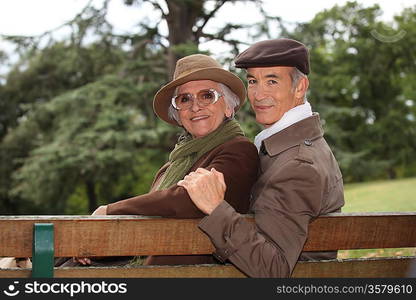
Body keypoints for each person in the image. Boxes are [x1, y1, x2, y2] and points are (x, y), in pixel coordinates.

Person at [57, 54, 259, 267]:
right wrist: (96, 248)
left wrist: (109, 211)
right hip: (150, 270)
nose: (195, 106)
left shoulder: (239, 150)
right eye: (185, 99)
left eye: (207, 96)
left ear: (229, 107)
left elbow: (187, 200)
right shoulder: (171, 167)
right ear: (178, 114)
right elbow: (147, 226)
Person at [178, 38, 345, 277]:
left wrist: (216, 208)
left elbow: (273, 269)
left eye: (272, 81)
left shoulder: (297, 165)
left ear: (300, 87)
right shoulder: (291, 147)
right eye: (253, 81)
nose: (258, 94)